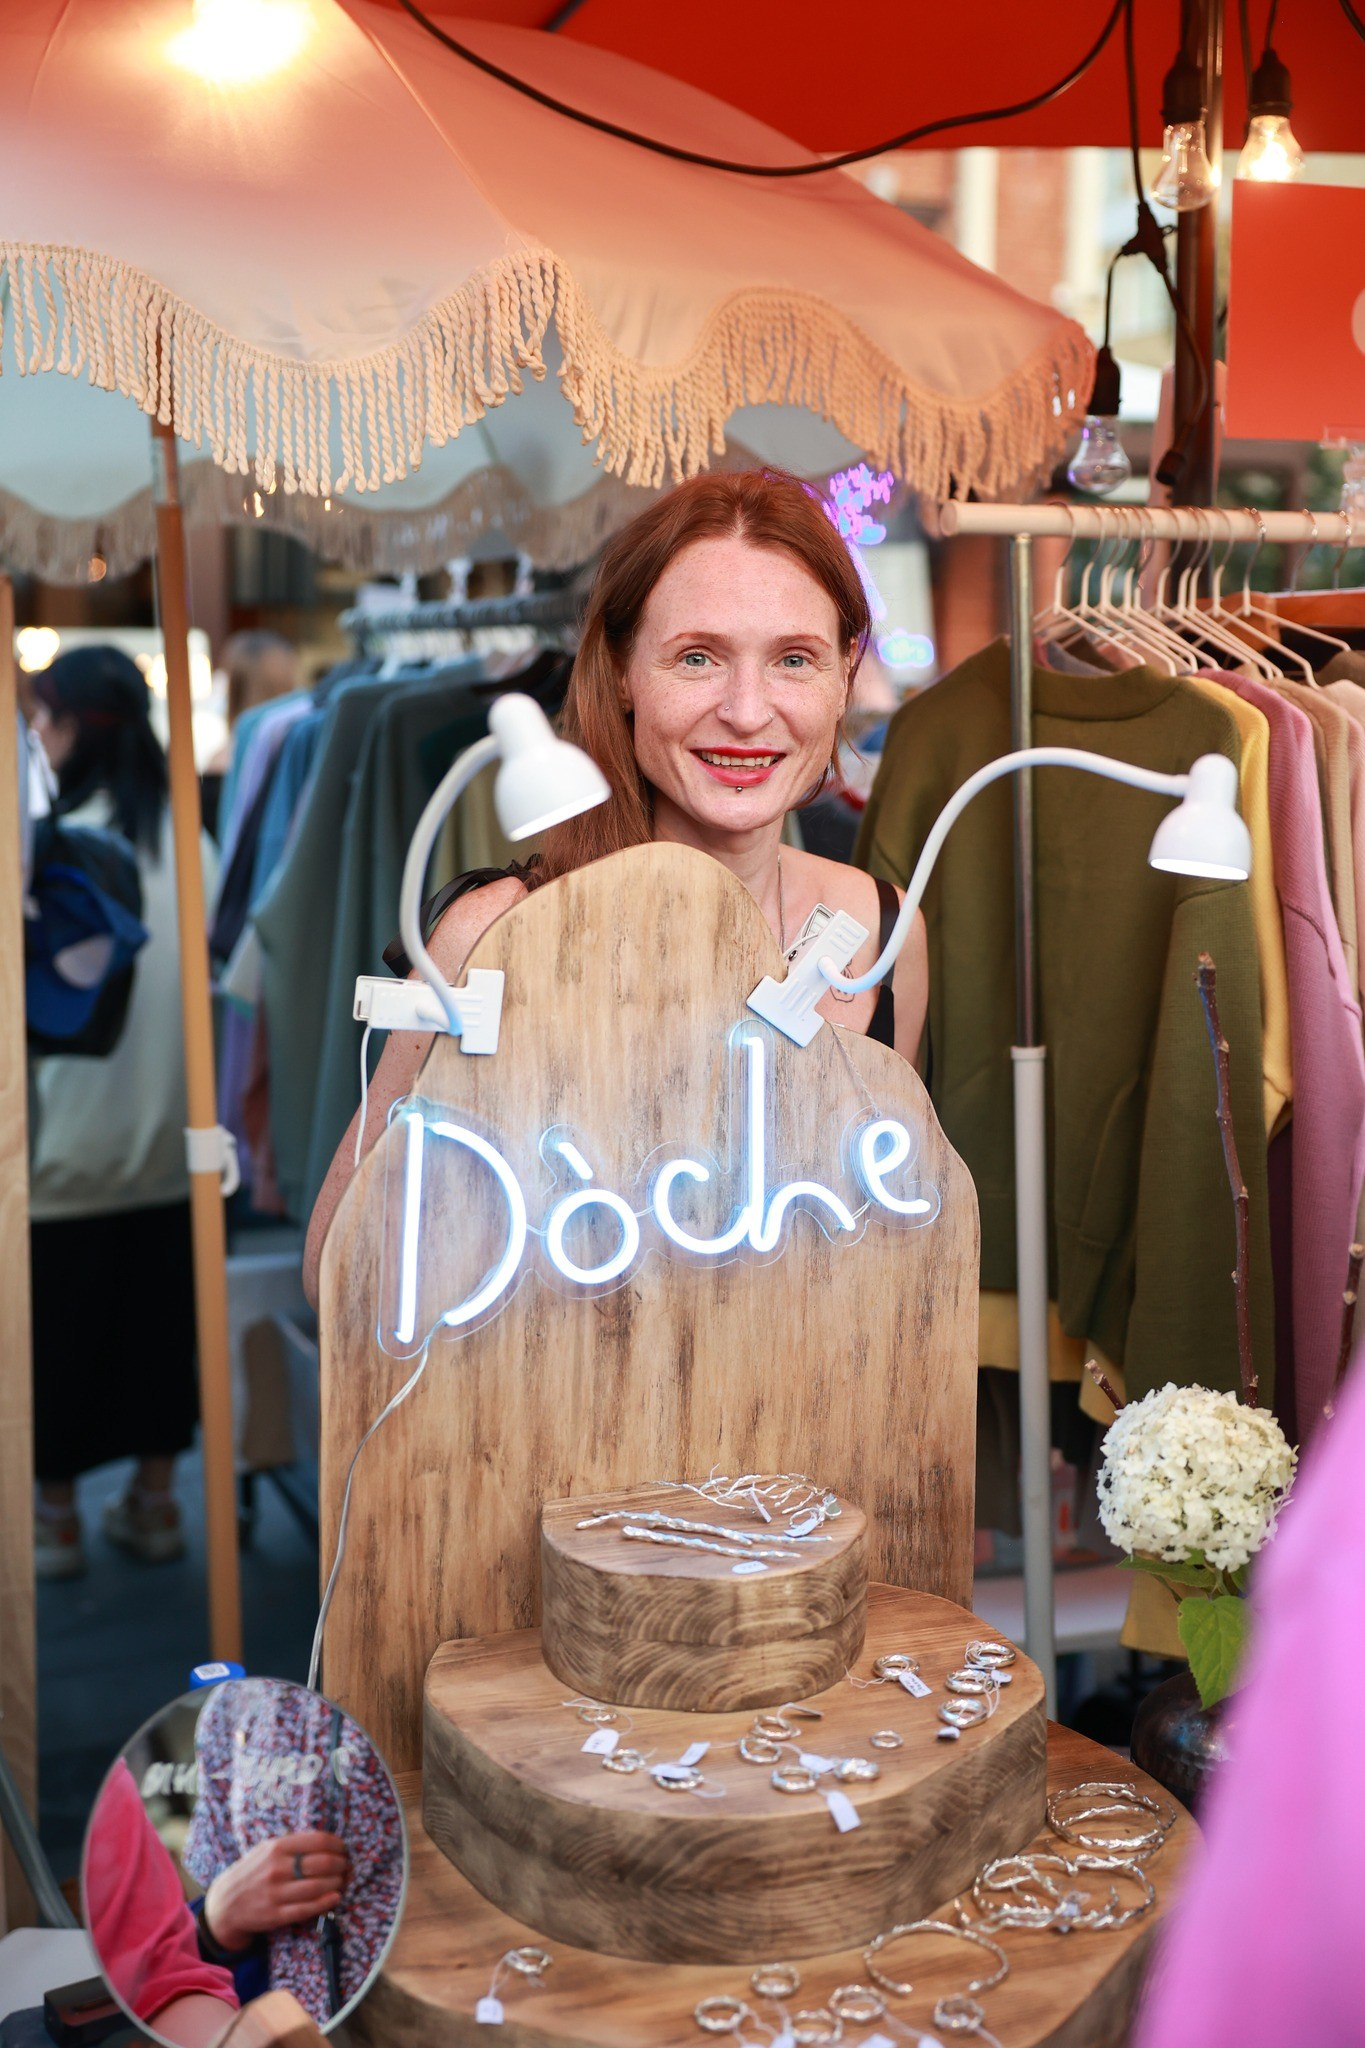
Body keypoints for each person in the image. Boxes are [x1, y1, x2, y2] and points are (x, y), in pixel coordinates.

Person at [304, 470, 928, 1298]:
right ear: (623, 670)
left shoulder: (881, 929)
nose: (747, 711)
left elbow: (880, 1259)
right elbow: (337, 1274)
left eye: (793, 659)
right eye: (697, 658)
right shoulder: (495, 936)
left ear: (845, 672)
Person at [28, 646, 218, 1577]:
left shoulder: (53, 852)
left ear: (68, 726)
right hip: (177, 1144)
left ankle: (55, 1521)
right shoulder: (193, 844)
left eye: (42, 718)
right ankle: (156, 1505)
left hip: (59, 1151)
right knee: (159, 1337)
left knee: (55, 1344)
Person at [181, 1678, 404, 2025]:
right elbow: (216, 1890)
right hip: (288, 2024)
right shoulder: (234, 1703)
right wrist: (216, 1924)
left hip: (414, 2000)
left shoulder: (392, 1684)